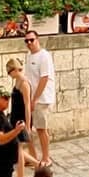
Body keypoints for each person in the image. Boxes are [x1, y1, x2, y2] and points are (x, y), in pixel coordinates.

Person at [23, 30, 56, 167]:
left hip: (42, 98)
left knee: (42, 129)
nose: (29, 43)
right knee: (30, 127)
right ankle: (33, 157)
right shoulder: (29, 56)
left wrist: (35, 98)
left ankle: (46, 158)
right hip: (32, 97)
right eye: (27, 41)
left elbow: (44, 78)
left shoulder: (44, 56)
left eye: (32, 40)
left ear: (38, 39)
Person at [5, 56, 38, 177]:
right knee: (15, 149)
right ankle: (37, 164)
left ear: (15, 70)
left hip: (22, 120)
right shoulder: (17, 82)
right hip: (15, 119)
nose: (9, 74)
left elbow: (27, 105)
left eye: (9, 72)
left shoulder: (24, 83)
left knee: (17, 149)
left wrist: (28, 126)